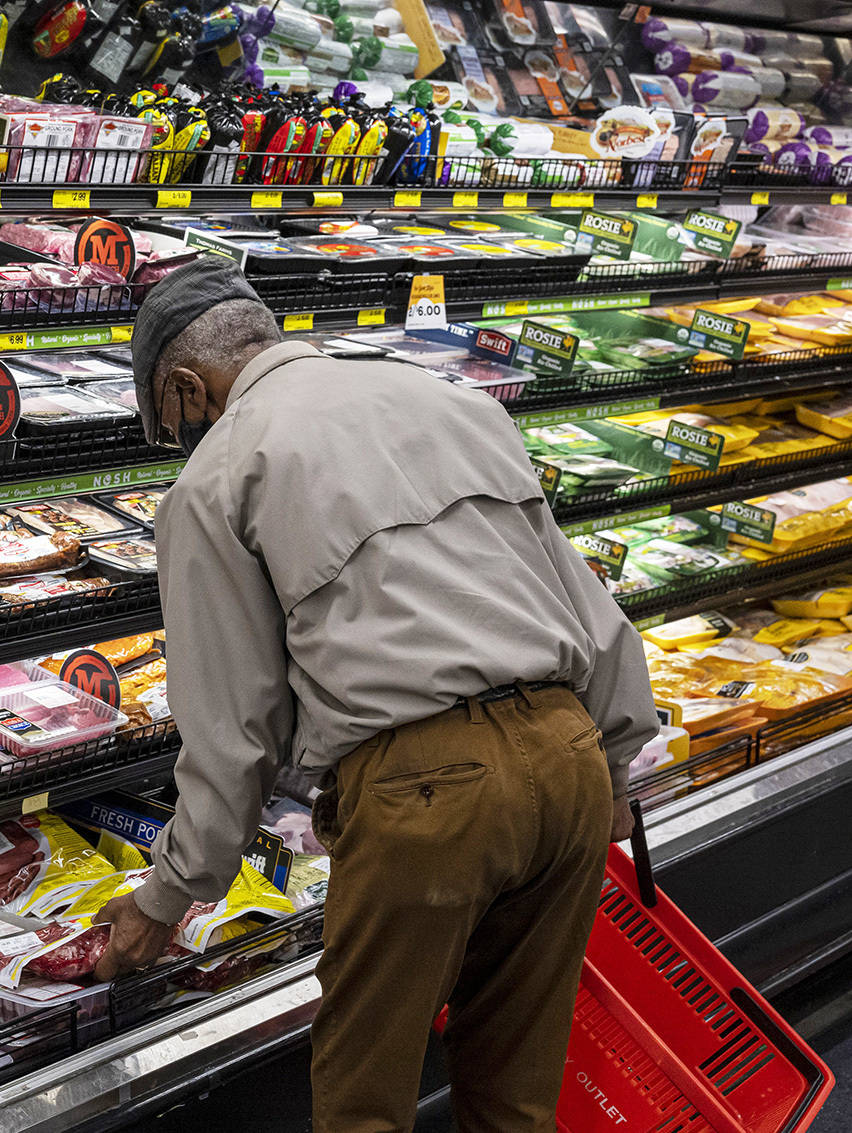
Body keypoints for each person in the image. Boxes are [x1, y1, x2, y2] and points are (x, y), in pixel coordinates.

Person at [92, 259, 658, 1132]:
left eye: (172, 427)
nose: (179, 445)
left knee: (365, 1105)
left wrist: (165, 897)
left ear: (184, 384)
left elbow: (234, 731)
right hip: (571, 757)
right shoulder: (455, 403)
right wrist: (616, 766)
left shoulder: (217, 475)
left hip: (427, 796)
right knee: (515, 1094)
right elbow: (585, 600)